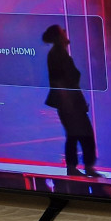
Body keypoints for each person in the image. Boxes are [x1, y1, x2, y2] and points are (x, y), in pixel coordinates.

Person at [42, 24, 100, 177]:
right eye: (62, 32)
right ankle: (82, 167)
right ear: (58, 36)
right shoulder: (57, 54)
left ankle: (76, 167)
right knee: (82, 134)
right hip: (70, 103)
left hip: (70, 102)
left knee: (75, 135)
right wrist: (68, 102)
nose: (65, 33)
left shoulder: (58, 53)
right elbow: (60, 80)